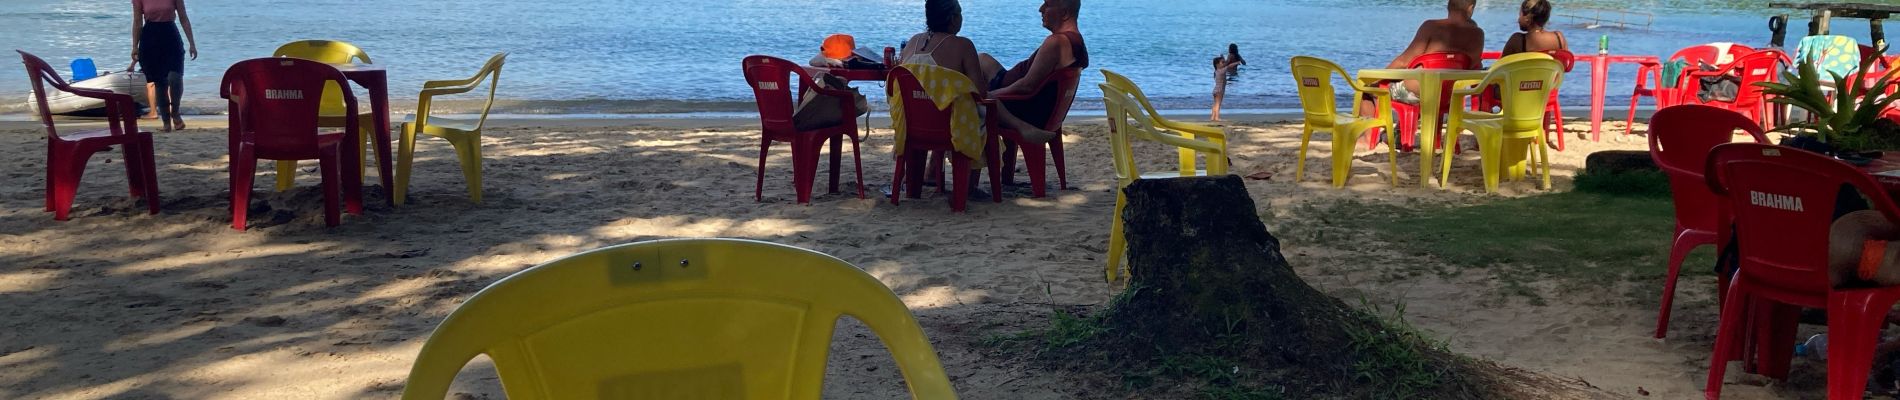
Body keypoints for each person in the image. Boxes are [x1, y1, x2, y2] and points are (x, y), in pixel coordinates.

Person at [1378, 0, 1484, 106]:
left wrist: (1374, 79)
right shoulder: (1478, 35)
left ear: (1449, 6)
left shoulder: (1431, 26)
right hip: (1448, 97)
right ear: (1470, 8)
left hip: (1416, 93)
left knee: (1369, 90)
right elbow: (1475, 70)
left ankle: (1374, 122)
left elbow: (1403, 62)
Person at [129, 0, 196, 132]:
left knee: (175, 77)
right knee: (160, 82)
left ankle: (175, 112)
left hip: (170, 35)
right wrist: (134, 46)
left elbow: (183, 18)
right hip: (150, 37)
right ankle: (166, 122)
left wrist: (191, 43)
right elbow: (137, 22)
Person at [1501, 0, 1567, 56]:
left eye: (1520, 15)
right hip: (1550, 71)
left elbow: (1500, 67)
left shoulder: (1517, 40)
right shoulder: (1559, 37)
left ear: (1527, 18)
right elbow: (1567, 67)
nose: (1518, 20)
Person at [1211, 43, 1245, 121]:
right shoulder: (1222, 71)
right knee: (1218, 104)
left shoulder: (1216, 71)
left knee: (1215, 103)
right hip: (1220, 91)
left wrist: (1222, 58)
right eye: (1222, 62)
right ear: (1217, 65)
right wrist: (1236, 63)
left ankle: (1212, 117)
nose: (1224, 63)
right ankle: (1217, 117)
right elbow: (1229, 66)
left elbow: (1226, 64)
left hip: (1215, 90)